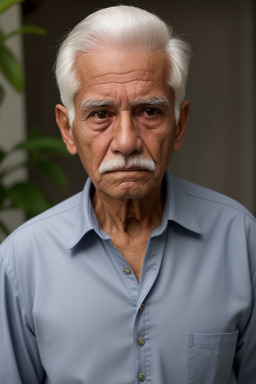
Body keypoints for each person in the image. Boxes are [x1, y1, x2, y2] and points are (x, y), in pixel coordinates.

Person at [0, 5, 255, 384]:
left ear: (179, 124)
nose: (126, 141)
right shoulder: (22, 260)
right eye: (100, 114)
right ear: (68, 130)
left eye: (149, 111)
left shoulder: (241, 238)